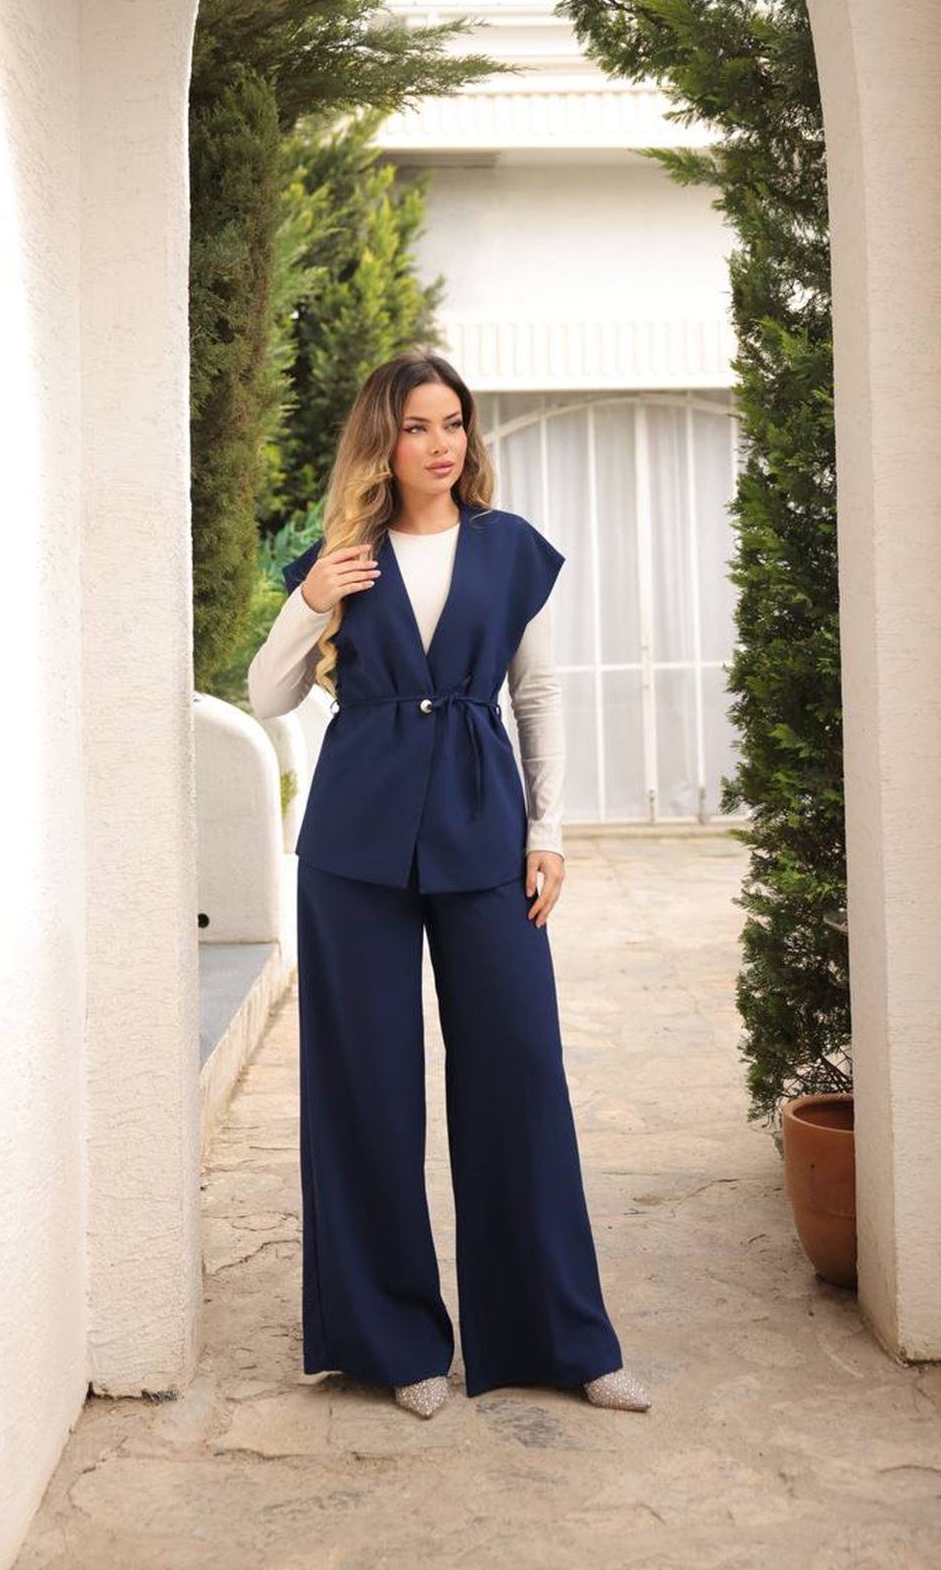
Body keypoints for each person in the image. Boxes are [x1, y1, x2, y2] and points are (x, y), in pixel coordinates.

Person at [247, 346, 650, 1420]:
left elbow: (538, 693)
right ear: (383, 442)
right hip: (356, 846)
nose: (440, 444)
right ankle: (391, 1344)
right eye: (418, 426)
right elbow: (267, 693)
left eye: (453, 423)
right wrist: (309, 597)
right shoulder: (345, 559)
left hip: (485, 831)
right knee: (366, 1084)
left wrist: (548, 831)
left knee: (519, 1069)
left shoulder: (508, 548)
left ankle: (560, 1337)